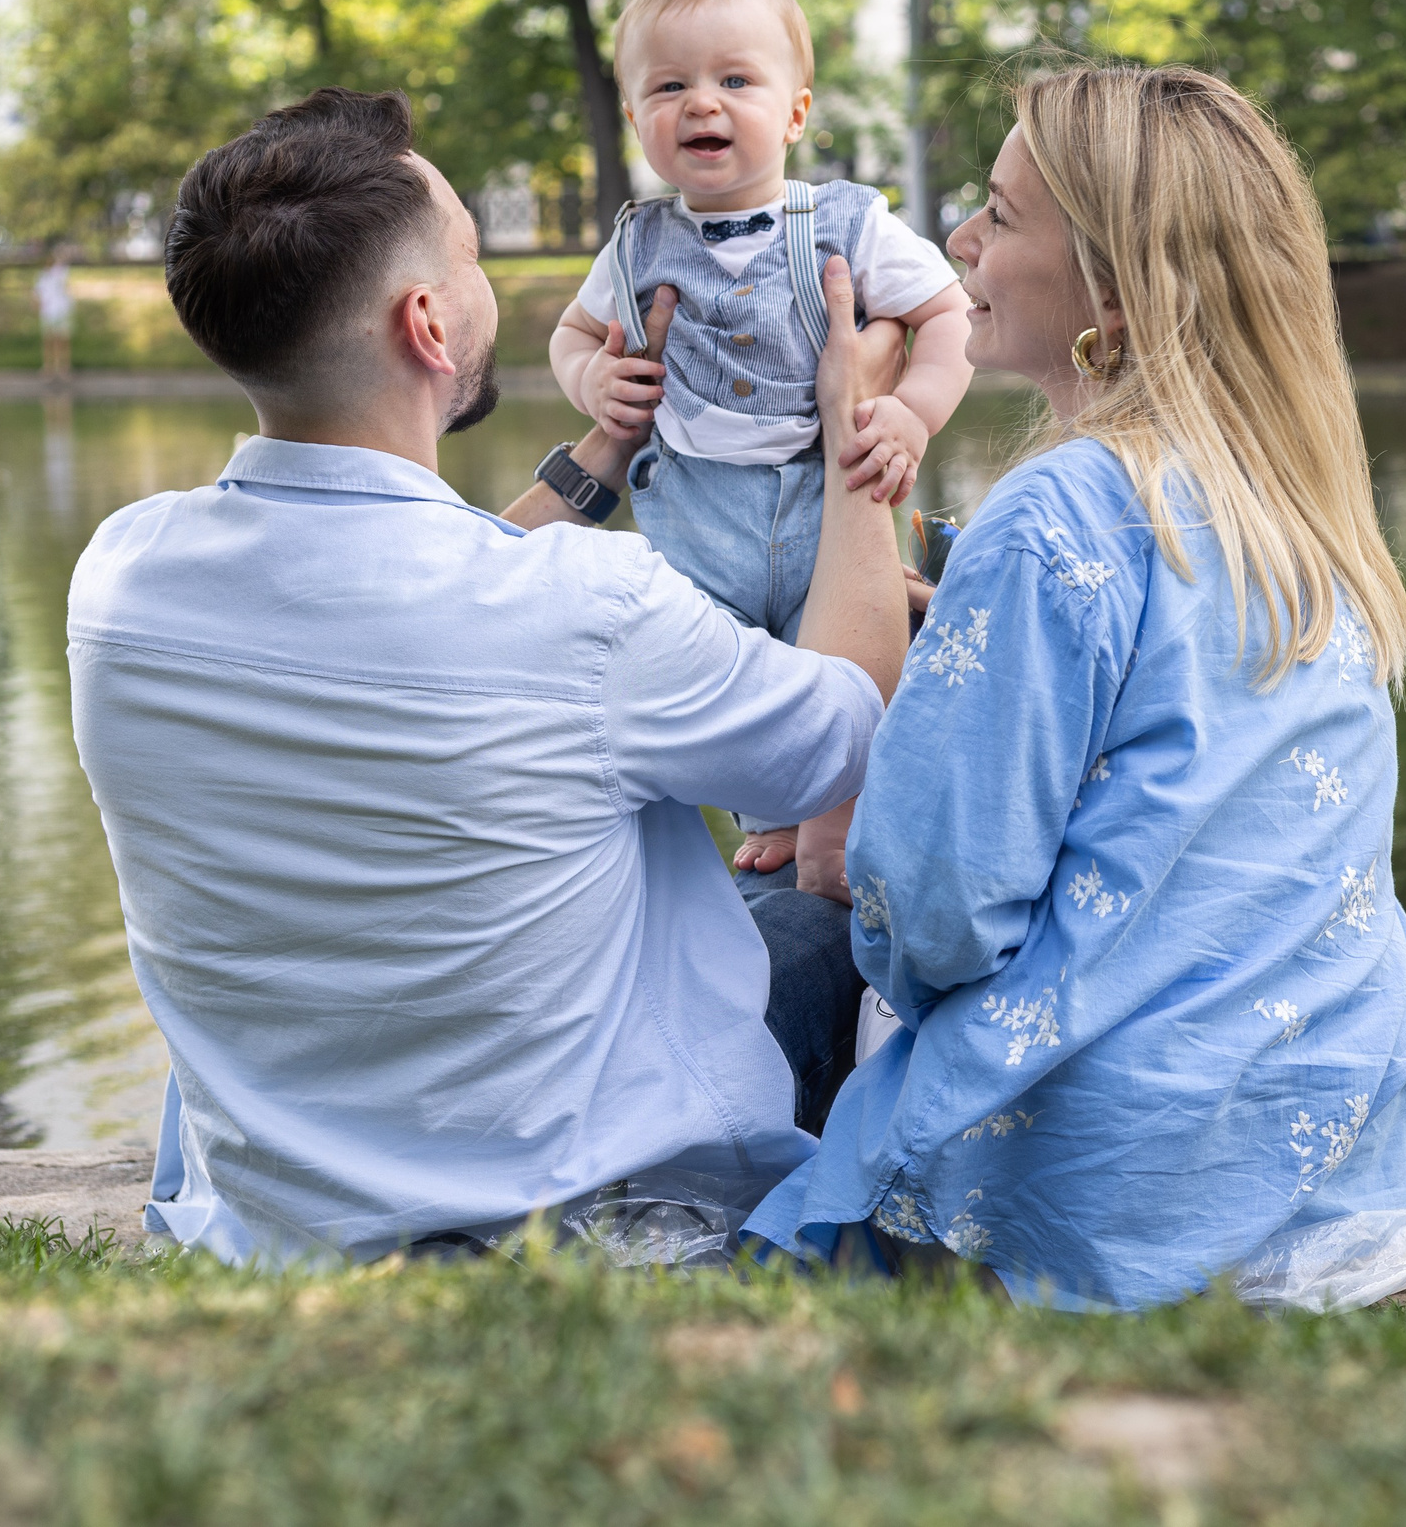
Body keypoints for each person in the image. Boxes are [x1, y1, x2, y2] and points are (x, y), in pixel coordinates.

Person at [65, 88, 908, 1265]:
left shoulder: (120, 577)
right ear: (429, 322)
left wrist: (599, 456)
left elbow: (416, 582)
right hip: (586, 1220)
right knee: (815, 908)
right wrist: (850, 424)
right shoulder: (592, 608)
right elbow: (851, 726)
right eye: (468, 254)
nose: (485, 283)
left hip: (280, 1222)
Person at [743, 66, 1406, 1311]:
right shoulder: (1300, 506)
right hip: (1328, 1108)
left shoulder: (1056, 512)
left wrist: (860, 824)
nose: (960, 242)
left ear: (1114, 293)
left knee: (765, 938)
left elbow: (931, 908)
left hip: (1116, 1162)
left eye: (1000, 215)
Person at [547, 0, 973, 891]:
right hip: (698, 516)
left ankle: (845, 819)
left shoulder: (847, 223)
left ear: (794, 112)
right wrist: (596, 384)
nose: (702, 102)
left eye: (735, 80)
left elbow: (947, 314)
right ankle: (777, 816)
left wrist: (910, 408)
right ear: (635, 120)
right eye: (669, 86)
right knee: (730, 686)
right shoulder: (635, 241)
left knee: (858, 677)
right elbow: (571, 335)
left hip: (822, 498)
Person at [35, 244, 75, 378]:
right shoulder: (43, 276)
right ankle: (49, 367)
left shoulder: (61, 272)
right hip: (48, 312)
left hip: (61, 311)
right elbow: (37, 294)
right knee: (49, 341)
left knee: (62, 340)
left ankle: (64, 367)